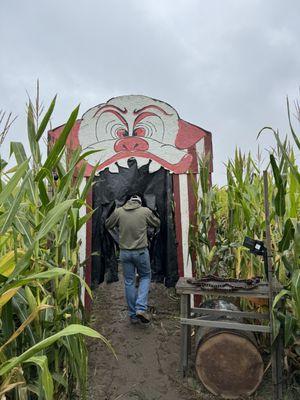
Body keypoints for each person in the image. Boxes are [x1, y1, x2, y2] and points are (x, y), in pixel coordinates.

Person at [105, 194, 160, 325]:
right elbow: (157, 223)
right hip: (141, 252)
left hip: (124, 253)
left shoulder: (119, 211)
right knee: (145, 277)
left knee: (129, 282)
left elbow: (108, 224)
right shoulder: (145, 211)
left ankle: (133, 316)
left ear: (128, 201)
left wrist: (119, 234)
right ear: (140, 202)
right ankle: (141, 308)